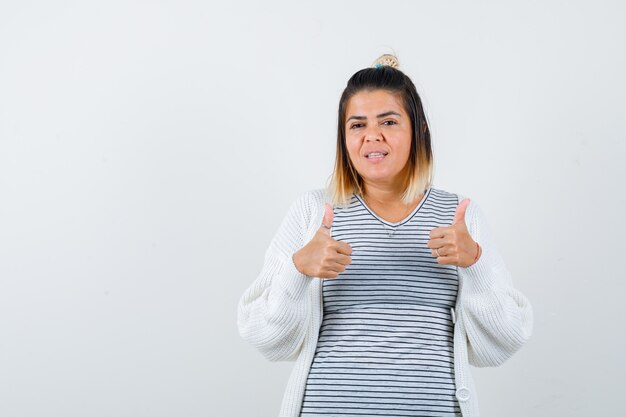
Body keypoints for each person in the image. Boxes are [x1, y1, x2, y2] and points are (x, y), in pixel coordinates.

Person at [237, 54, 533, 417]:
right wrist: (297, 270)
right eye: (357, 124)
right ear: (343, 137)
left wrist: (476, 264)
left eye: (388, 121)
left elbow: (504, 342)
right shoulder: (312, 213)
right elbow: (267, 340)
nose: (371, 135)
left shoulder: (460, 216)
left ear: (419, 130)